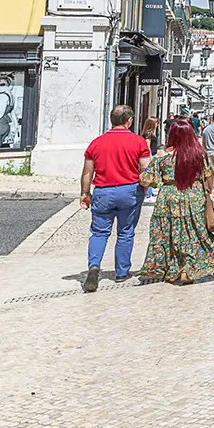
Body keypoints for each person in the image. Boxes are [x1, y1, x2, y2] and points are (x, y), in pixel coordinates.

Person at [139, 121, 214, 284]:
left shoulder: (162, 156)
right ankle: (189, 268)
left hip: (168, 198)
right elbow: (209, 176)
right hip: (194, 196)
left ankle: (172, 267)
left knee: (169, 233)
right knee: (194, 232)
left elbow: (147, 180)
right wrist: (207, 192)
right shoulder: (199, 154)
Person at [79, 105, 152, 292]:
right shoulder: (138, 142)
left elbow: (87, 172)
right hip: (129, 191)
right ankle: (121, 272)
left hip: (103, 191)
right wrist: (145, 189)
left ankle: (94, 267)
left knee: (99, 233)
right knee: (126, 231)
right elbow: (146, 170)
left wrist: (85, 193)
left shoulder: (96, 143)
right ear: (129, 121)